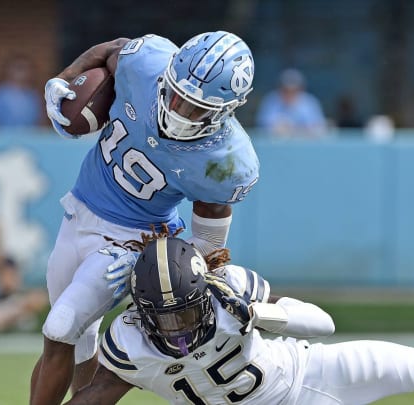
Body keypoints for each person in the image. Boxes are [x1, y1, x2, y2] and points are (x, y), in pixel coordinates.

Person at [65, 232, 414, 404]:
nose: (175, 328)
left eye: (183, 312)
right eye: (160, 318)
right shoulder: (127, 343)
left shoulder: (230, 291)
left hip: (311, 376)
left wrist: (257, 312)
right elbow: (95, 398)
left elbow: (324, 324)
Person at [31, 31, 260, 405]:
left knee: (60, 328)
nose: (180, 110)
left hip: (130, 240)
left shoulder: (225, 161)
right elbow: (108, 51)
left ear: (226, 110)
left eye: (196, 107)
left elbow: (208, 245)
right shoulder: (146, 62)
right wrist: (63, 77)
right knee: (77, 340)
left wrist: (155, 267)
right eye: (176, 94)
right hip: (77, 213)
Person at [255, 68, 327, 137]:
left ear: (301, 89)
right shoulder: (271, 100)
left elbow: (319, 128)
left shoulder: (310, 102)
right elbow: (263, 126)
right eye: (286, 90)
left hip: (305, 147)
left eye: (294, 90)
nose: (290, 93)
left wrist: (296, 130)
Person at [0, 54, 43, 127]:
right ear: (9, 70)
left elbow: (40, 122)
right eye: (19, 68)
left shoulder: (33, 95)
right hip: (2, 137)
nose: (23, 73)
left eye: (26, 69)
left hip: (29, 137)